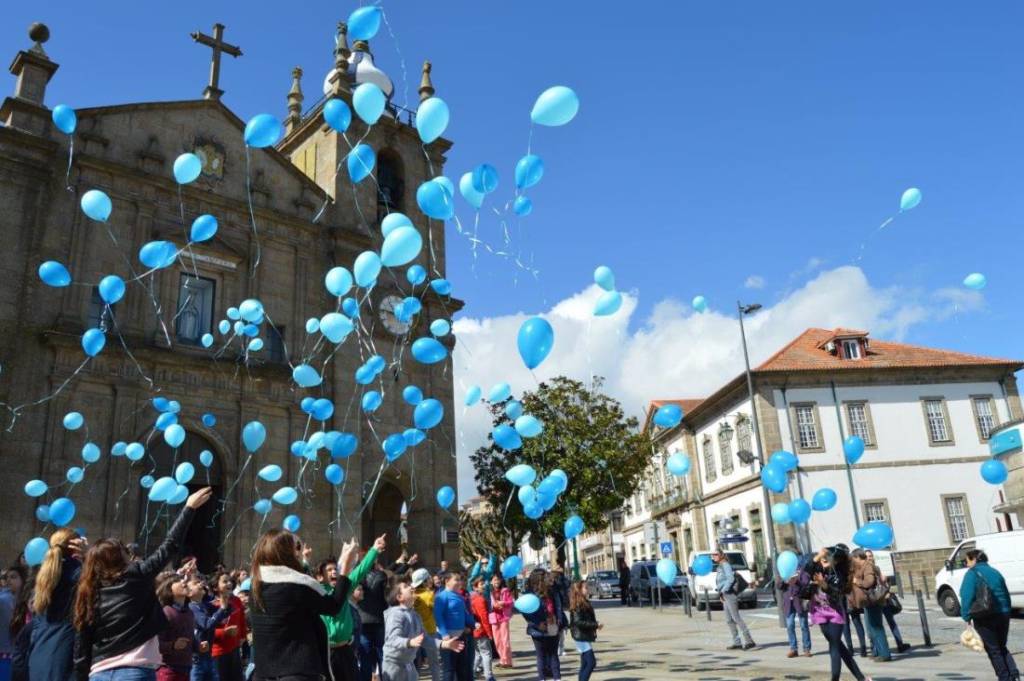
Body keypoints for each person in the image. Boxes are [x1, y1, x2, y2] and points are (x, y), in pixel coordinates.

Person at [72, 487, 213, 681]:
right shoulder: (136, 576)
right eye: (123, 549)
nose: (128, 553)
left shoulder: (89, 591)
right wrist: (189, 508)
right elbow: (169, 545)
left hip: (98, 673)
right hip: (134, 671)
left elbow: (81, 644)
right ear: (118, 558)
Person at [248, 530, 359, 681]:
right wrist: (345, 567)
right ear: (285, 552)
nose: (299, 552)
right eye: (297, 547)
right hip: (297, 672)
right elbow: (333, 606)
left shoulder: (256, 585)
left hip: (263, 673)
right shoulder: (299, 585)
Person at [318, 536, 384, 681]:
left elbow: (360, 571)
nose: (334, 572)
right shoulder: (317, 593)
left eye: (335, 569)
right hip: (326, 653)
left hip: (346, 650)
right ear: (320, 576)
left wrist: (374, 550)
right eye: (329, 570)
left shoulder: (344, 589)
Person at [803, 546, 871, 681]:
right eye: (823, 557)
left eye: (828, 558)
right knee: (840, 647)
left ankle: (835, 679)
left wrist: (824, 586)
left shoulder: (839, 575)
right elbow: (806, 571)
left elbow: (836, 595)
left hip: (834, 614)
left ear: (836, 561)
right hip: (819, 613)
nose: (824, 559)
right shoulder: (818, 569)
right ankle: (861, 678)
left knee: (834, 647)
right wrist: (817, 557)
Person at [30, 528, 86, 681]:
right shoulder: (78, 572)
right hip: (64, 651)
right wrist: (88, 558)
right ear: (75, 546)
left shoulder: (45, 574)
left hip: (39, 653)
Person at [959, 549, 1019, 680]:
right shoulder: (995, 572)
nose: (967, 563)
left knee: (993, 650)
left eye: (968, 560)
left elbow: (966, 596)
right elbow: (1005, 593)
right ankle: (1013, 674)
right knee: (1002, 647)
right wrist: (1007, 610)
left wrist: (966, 616)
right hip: (1003, 613)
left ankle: (1004, 678)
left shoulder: (972, 574)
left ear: (975, 559)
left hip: (985, 615)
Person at [863, 551, 909, 653]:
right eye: (867, 557)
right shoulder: (866, 570)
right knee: (873, 626)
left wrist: (885, 581)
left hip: (883, 599)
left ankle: (899, 644)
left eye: (871, 556)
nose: (870, 558)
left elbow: (882, 584)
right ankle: (875, 649)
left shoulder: (877, 568)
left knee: (890, 622)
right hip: (874, 601)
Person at [850, 549, 891, 663]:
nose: (854, 562)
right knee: (872, 628)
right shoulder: (863, 566)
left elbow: (869, 581)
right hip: (869, 601)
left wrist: (856, 581)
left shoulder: (868, 566)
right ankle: (879, 652)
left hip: (874, 600)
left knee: (877, 627)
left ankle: (885, 654)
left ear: (858, 557)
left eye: (854, 559)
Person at [187, 575, 230, 681]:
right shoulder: (192, 607)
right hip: (196, 659)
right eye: (196, 583)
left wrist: (225, 596)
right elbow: (207, 624)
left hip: (208, 655)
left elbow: (227, 611)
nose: (200, 584)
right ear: (189, 593)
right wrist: (222, 608)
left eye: (200, 582)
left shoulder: (204, 605)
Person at [432, 572, 473, 681]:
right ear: (447, 581)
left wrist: (471, 624)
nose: (459, 582)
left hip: (461, 636)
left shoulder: (459, 596)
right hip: (448, 638)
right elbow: (438, 616)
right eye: (456, 580)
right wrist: (444, 634)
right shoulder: (441, 596)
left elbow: (464, 613)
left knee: (462, 668)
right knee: (449, 670)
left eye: (460, 580)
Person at [521, 570, 561, 681]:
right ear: (539, 580)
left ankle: (557, 678)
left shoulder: (552, 590)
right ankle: (542, 678)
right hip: (538, 629)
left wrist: (558, 620)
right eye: (546, 577)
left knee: (553, 654)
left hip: (552, 626)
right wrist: (537, 624)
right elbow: (526, 613)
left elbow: (558, 606)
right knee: (541, 655)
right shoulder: (530, 594)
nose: (549, 578)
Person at [381, 582, 426, 681]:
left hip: (409, 664)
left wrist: (443, 644)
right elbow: (392, 639)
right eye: (406, 587)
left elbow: (425, 639)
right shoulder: (395, 615)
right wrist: (409, 642)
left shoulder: (415, 615)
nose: (411, 587)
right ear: (400, 597)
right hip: (394, 667)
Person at [711, 550, 755, 651]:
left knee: (736, 618)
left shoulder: (725, 565)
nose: (714, 556)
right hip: (725, 594)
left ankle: (749, 641)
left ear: (721, 555)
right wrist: (721, 592)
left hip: (729, 594)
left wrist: (723, 590)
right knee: (729, 620)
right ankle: (737, 642)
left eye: (716, 554)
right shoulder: (719, 566)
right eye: (713, 555)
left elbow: (731, 579)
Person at [156, 572, 195, 681]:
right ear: (169, 590)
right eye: (178, 581)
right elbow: (156, 644)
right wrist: (173, 645)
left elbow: (190, 638)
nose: (184, 582)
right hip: (168, 671)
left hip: (186, 669)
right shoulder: (166, 612)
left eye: (184, 580)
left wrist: (198, 646)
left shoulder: (189, 612)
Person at [355, 556, 389, 681]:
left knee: (365, 655)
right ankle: (384, 678)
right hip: (379, 619)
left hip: (362, 619)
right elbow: (387, 597)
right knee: (382, 654)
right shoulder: (381, 575)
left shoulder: (358, 576)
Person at [210, 572, 246, 681]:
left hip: (234, 649)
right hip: (218, 652)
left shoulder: (236, 600)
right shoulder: (211, 605)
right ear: (215, 587)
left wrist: (242, 636)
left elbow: (241, 620)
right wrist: (224, 632)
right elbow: (207, 630)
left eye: (230, 581)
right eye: (225, 581)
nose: (229, 583)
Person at [410, 569, 440, 681]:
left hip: (413, 634)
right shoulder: (429, 595)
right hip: (430, 631)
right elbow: (436, 612)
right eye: (428, 578)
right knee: (434, 663)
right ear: (425, 581)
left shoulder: (411, 595)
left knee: (414, 662)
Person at [776, 565, 811, 658]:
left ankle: (807, 648)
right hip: (788, 602)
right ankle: (793, 648)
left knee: (804, 625)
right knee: (790, 625)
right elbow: (778, 585)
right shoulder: (784, 570)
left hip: (799, 601)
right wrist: (785, 581)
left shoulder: (801, 569)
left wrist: (797, 581)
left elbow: (806, 582)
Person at [1, 566, 27, 681]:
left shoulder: (28, 600)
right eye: (8, 578)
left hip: (23, 657)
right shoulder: (3, 600)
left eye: (14, 577)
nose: (9, 580)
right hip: (5, 655)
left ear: (23, 579)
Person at [468, 577, 495, 681]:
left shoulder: (472, 599)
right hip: (481, 631)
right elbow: (484, 617)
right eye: (481, 584)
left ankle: (471, 673)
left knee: (478, 654)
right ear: (475, 587)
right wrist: (489, 633)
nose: (483, 585)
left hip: (474, 631)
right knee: (487, 653)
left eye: (484, 583)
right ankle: (489, 676)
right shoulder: (480, 599)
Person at [488, 575, 513, 668]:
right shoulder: (489, 592)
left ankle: (508, 661)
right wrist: (492, 605)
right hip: (494, 618)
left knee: (505, 640)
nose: (496, 581)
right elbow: (487, 604)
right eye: (494, 580)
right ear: (491, 582)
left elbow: (511, 602)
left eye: (498, 579)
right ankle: (502, 660)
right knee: (497, 641)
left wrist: (504, 603)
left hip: (504, 618)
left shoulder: (505, 590)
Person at [549, 564, 570, 658]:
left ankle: (561, 648)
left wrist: (561, 574)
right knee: (555, 631)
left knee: (561, 629)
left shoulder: (560, 581)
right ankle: (556, 648)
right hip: (552, 610)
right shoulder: (550, 585)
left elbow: (567, 584)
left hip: (559, 608)